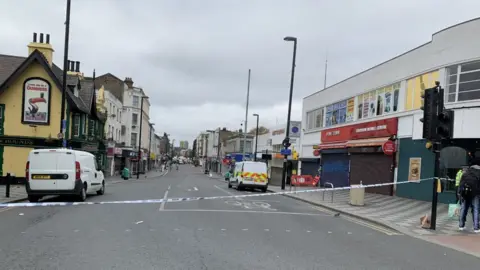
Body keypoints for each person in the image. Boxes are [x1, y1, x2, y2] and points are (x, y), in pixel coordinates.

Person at [458, 157, 480, 232]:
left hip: (465, 192)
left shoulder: (466, 172)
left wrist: (459, 194)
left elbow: (461, 184)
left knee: (463, 208)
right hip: (475, 193)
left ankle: (461, 226)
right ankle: (476, 228)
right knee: (476, 209)